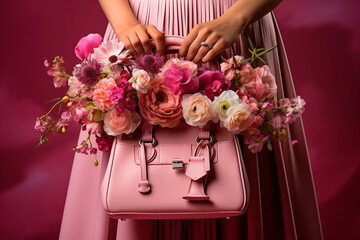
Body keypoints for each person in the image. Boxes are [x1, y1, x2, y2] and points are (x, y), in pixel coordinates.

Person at [59, 0, 323, 239]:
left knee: (238, 172)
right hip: (142, 27)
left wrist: (238, 17)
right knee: (130, 171)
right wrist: (124, 23)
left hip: (236, 26)